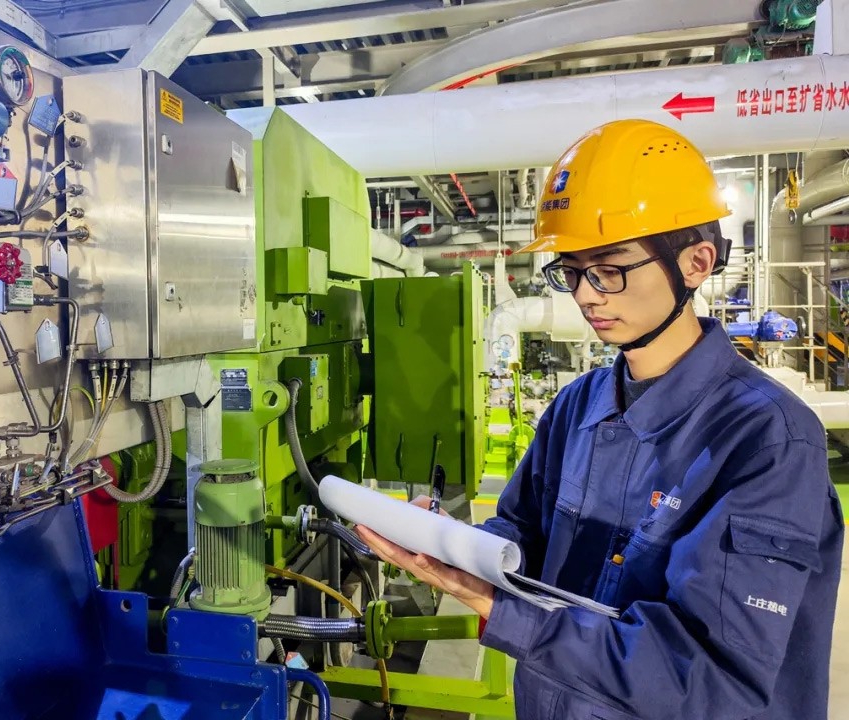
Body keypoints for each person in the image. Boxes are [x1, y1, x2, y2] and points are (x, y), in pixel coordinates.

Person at [357, 119, 844, 720]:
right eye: (572, 271)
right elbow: (523, 536)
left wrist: (503, 610)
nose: (586, 295)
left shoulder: (768, 439)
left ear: (696, 263)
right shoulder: (577, 405)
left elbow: (709, 680)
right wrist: (457, 547)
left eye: (609, 268)